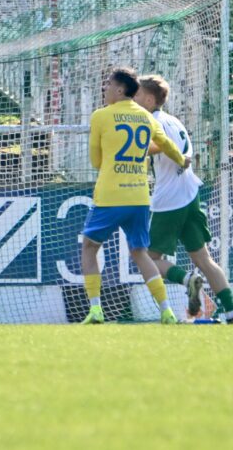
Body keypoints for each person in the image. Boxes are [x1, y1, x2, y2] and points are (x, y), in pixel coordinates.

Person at [80, 67, 191, 325]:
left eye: (108, 84)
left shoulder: (101, 116)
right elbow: (165, 144)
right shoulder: (146, 117)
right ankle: (166, 311)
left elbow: (96, 161)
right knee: (141, 253)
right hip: (140, 197)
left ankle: (96, 310)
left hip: (110, 196)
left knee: (89, 247)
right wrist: (182, 160)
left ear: (120, 90)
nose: (104, 88)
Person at [134, 74, 233, 323]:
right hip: (190, 193)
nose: (133, 100)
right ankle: (231, 311)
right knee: (204, 259)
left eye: (136, 96)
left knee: (146, 258)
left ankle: (187, 280)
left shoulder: (152, 122)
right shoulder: (173, 120)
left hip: (169, 200)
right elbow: (180, 152)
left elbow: (155, 148)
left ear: (147, 98)